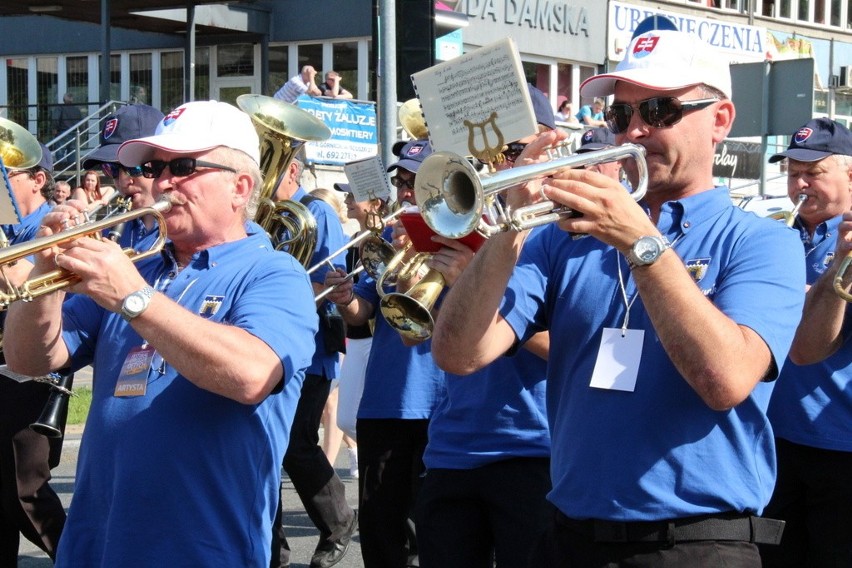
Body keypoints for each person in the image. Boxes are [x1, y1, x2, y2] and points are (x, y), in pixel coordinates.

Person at [430, 27, 806, 567]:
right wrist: (509, 226)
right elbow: (460, 354)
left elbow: (725, 380)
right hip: (570, 535)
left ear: (719, 120)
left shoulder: (763, 241)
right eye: (619, 114)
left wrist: (640, 241)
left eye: (658, 110)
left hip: (696, 544)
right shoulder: (563, 238)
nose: (634, 130)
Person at [4, 100, 319, 566]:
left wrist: (133, 298)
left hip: (201, 548)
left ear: (241, 187)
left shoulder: (274, 272)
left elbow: (252, 374)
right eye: (155, 167)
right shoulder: (142, 264)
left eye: (185, 166)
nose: (162, 181)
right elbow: (29, 359)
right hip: (95, 544)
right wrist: (43, 275)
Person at [414, 85, 554, 568]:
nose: (496, 169)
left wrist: (485, 292)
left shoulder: (560, 233)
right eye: (479, 156)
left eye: (511, 152)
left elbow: (570, 348)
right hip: (452, 448)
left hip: (532, 448)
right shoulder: (455, 222)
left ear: (546, 146)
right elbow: (417, 335)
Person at [323, 139, 473, 567]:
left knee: (435, 533)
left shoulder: (463, 239)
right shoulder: (389, 235)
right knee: (381, 530)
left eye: (415, 182)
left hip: (439, 402)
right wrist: (345, 297)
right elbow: (363, 313)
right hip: (385, 402)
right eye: (401, 181)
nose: (406, 191)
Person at [759, 118, 852, 567]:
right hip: (775, 439)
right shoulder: (775, 235)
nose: (799, 183)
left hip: (841, 447)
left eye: (813, 173)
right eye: (793, 171)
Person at [270, 156, 357, 568]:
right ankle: (271, 549)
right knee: (265, 447)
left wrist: (273, 284)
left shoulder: (316, 209)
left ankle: (339, 521)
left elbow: (331, 277)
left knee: (295, 443)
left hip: (310, 349)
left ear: (291, 172)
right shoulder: (267, 216)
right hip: (269, 344)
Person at [0, 144, 67, 565]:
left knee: (25, 490)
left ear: (37, 179)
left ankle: (81, 558)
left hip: (30, 374)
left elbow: (24, 289)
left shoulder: (51, 225)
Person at [310, 186, 359, 478]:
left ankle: (327, 469)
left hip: (335, 332)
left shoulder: (336, 234)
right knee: (335, 406)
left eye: (353, 195)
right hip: (346, 329)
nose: (348, 200)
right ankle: (348, 454)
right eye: (346, 196)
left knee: (334, 406)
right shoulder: (351, 240)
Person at [81, 103, 166, 251]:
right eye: (111, 169)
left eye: (133, 167)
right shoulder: (110, 231)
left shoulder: (188, 234)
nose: (122, 181)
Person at [52, 92, 83, 165]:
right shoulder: (76, 109)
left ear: (64, 99)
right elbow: (80, 121)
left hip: (63, 132)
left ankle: (61, 167)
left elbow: (55, 118)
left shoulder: (60, 108)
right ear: (72, 100)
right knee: (72, 152)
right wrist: (80, 131)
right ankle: (71, 167)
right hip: (75, 133)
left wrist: (54, 128)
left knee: (60, 152)